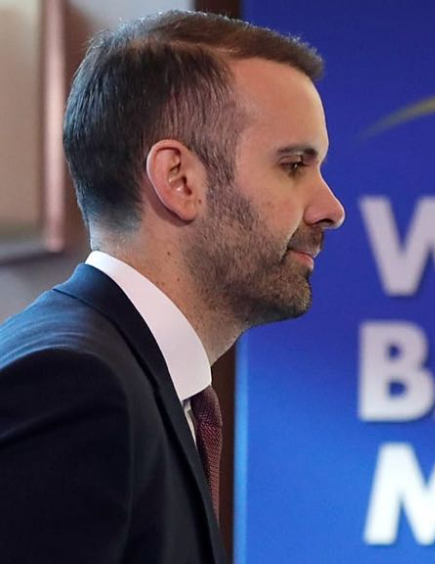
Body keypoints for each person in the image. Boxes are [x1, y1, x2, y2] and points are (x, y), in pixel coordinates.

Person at [0, 10, 344, 563]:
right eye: (293, 165)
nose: (331, 208)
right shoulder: (75, 386)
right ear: (180, 180)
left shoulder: (126, 376)